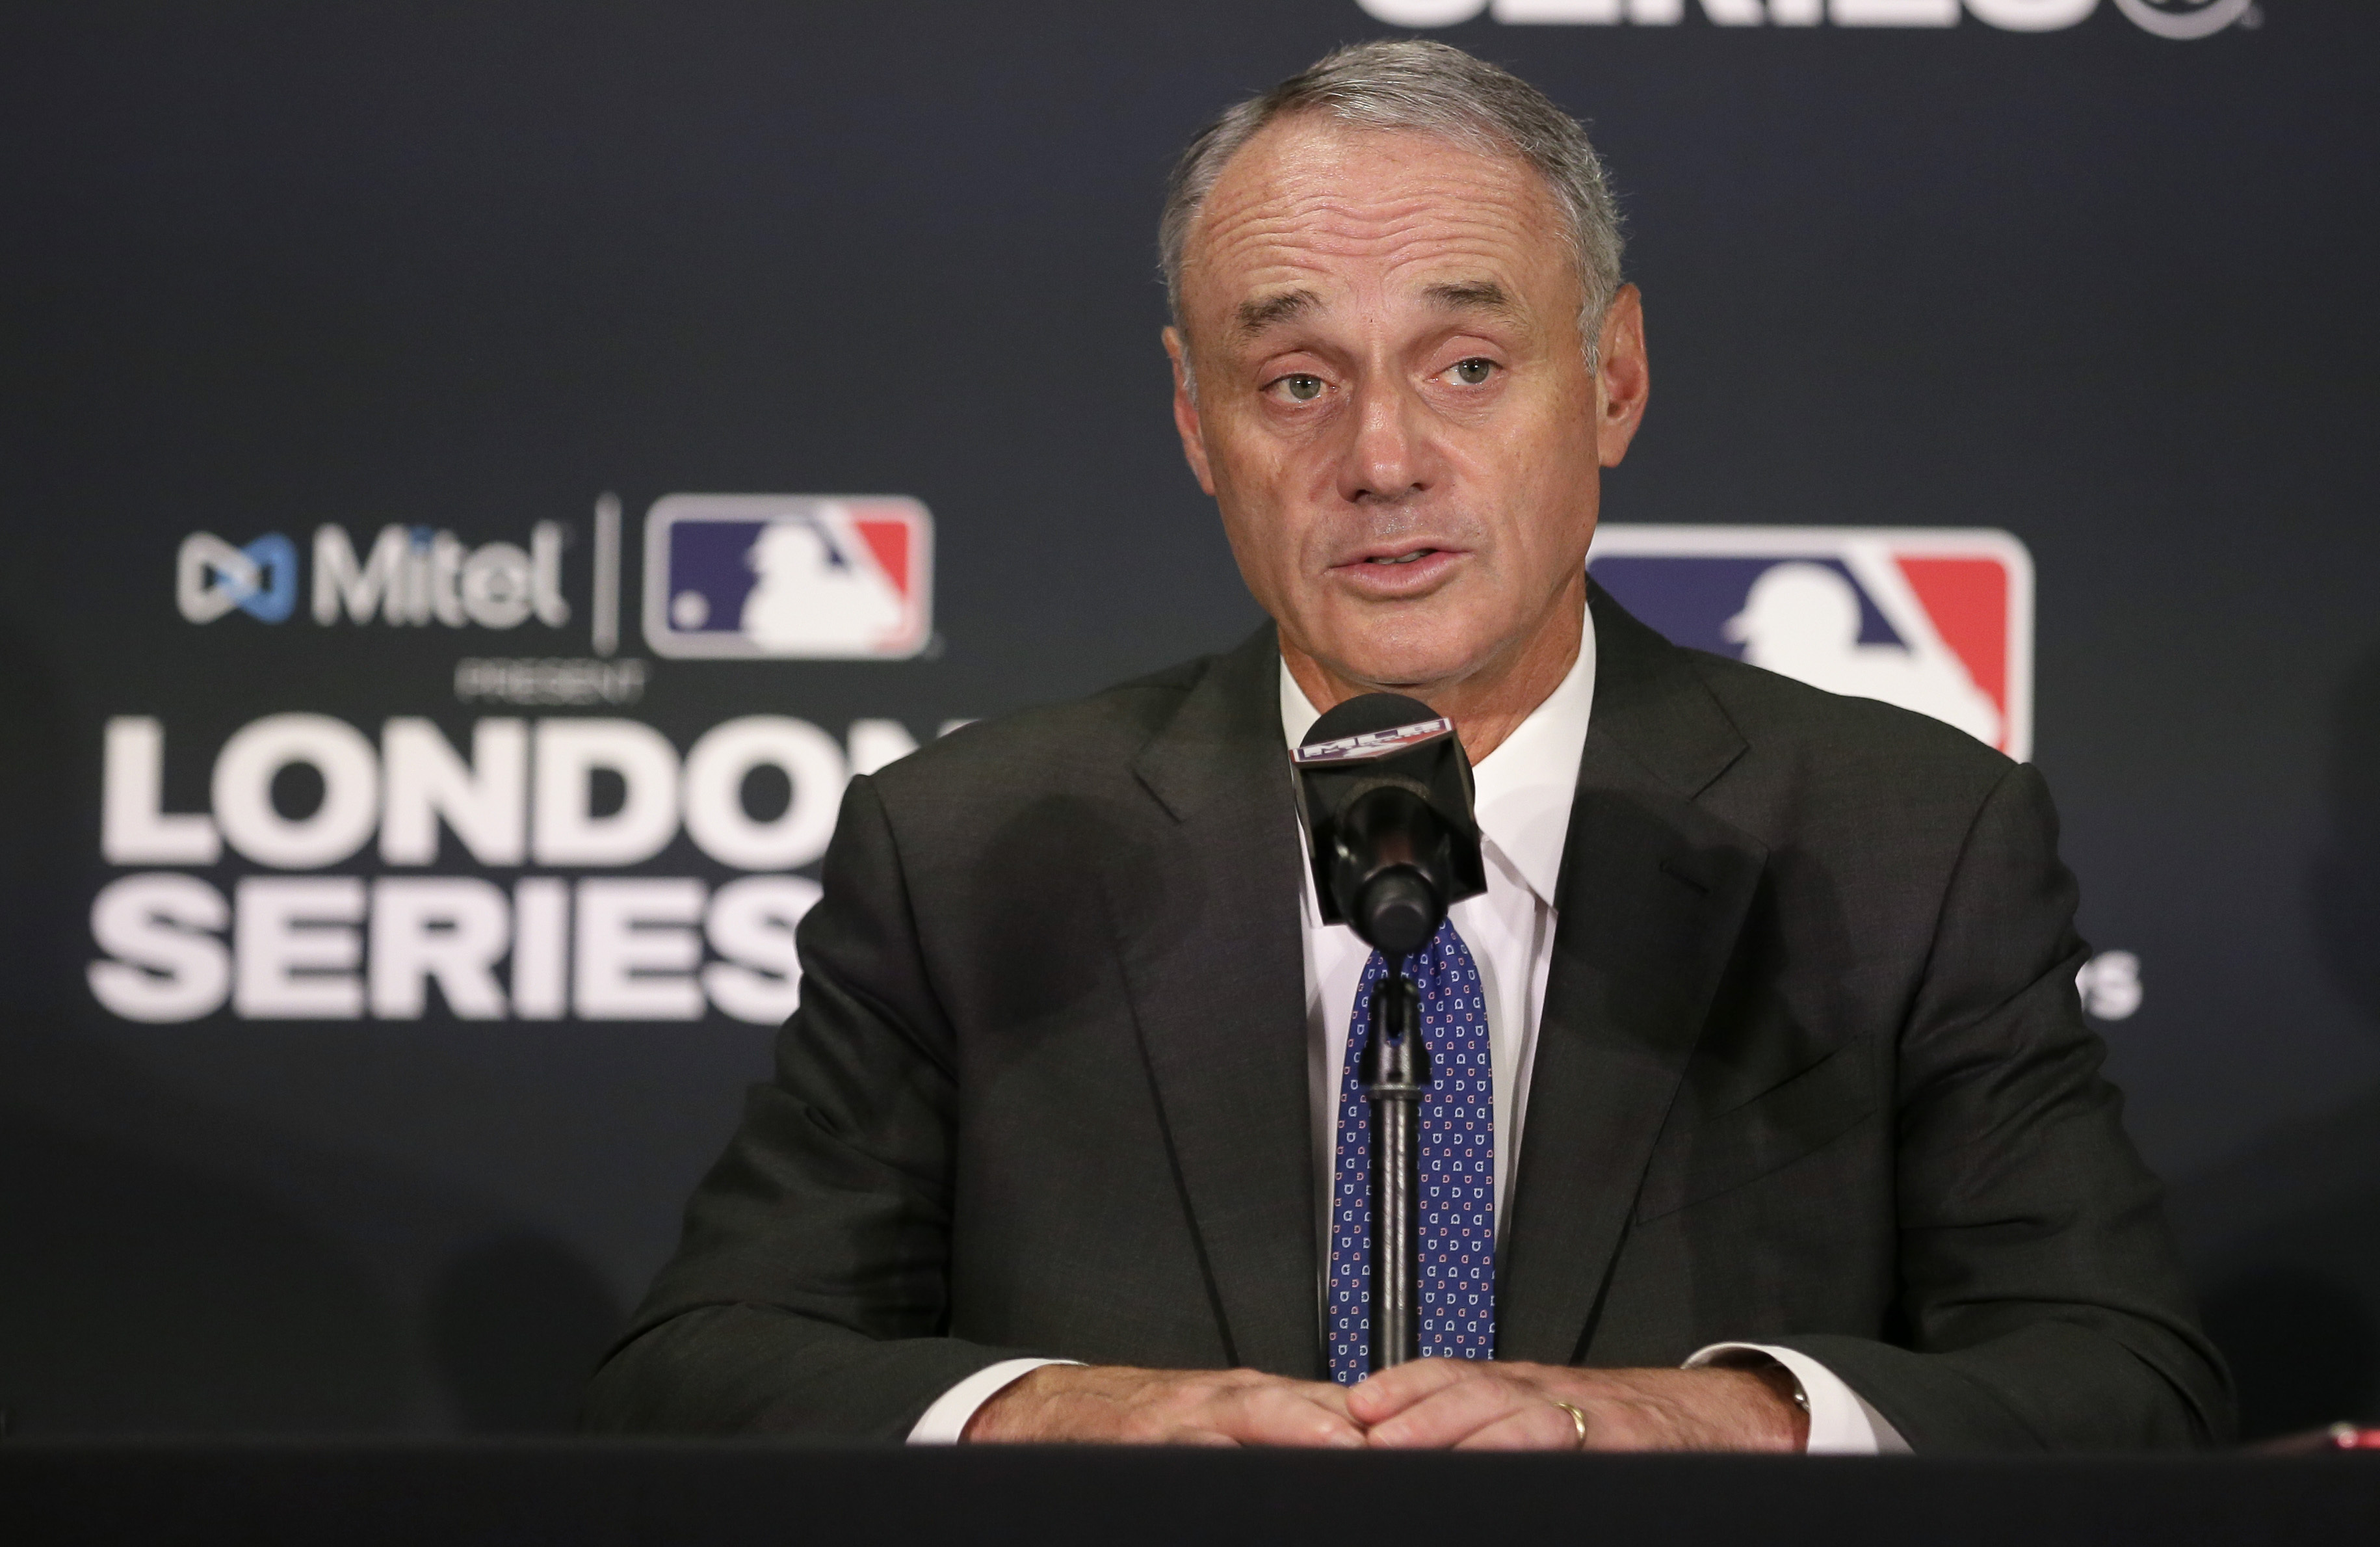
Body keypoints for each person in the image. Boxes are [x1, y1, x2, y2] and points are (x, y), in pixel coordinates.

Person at [584, 40, 2230, 1453]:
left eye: (1464, 365)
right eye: (1294, 378)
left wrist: (1714, 1415)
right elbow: (698, 1371)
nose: (1381, 458)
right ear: (1191, 421)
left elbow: (2121, 1374)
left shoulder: (1899, 844)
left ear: (1611, 378)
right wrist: (1066, 1413)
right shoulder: (971, 850)